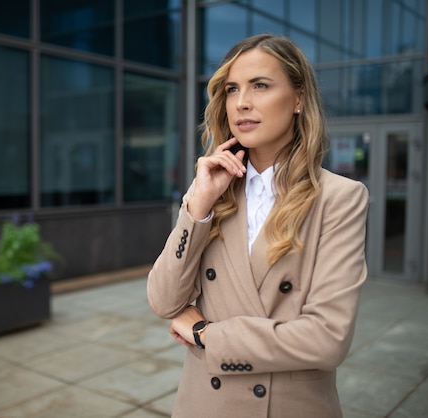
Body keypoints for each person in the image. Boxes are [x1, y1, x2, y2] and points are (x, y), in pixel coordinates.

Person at [147, 34, 369, 418]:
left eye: (260, 85)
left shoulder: (339, 198)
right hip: (205, 405)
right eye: (232, 89)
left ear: (299, 99)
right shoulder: (209, 190)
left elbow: (327, 339)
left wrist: (206, 335)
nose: (242, 102)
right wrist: (198, 207)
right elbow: (164, 301)